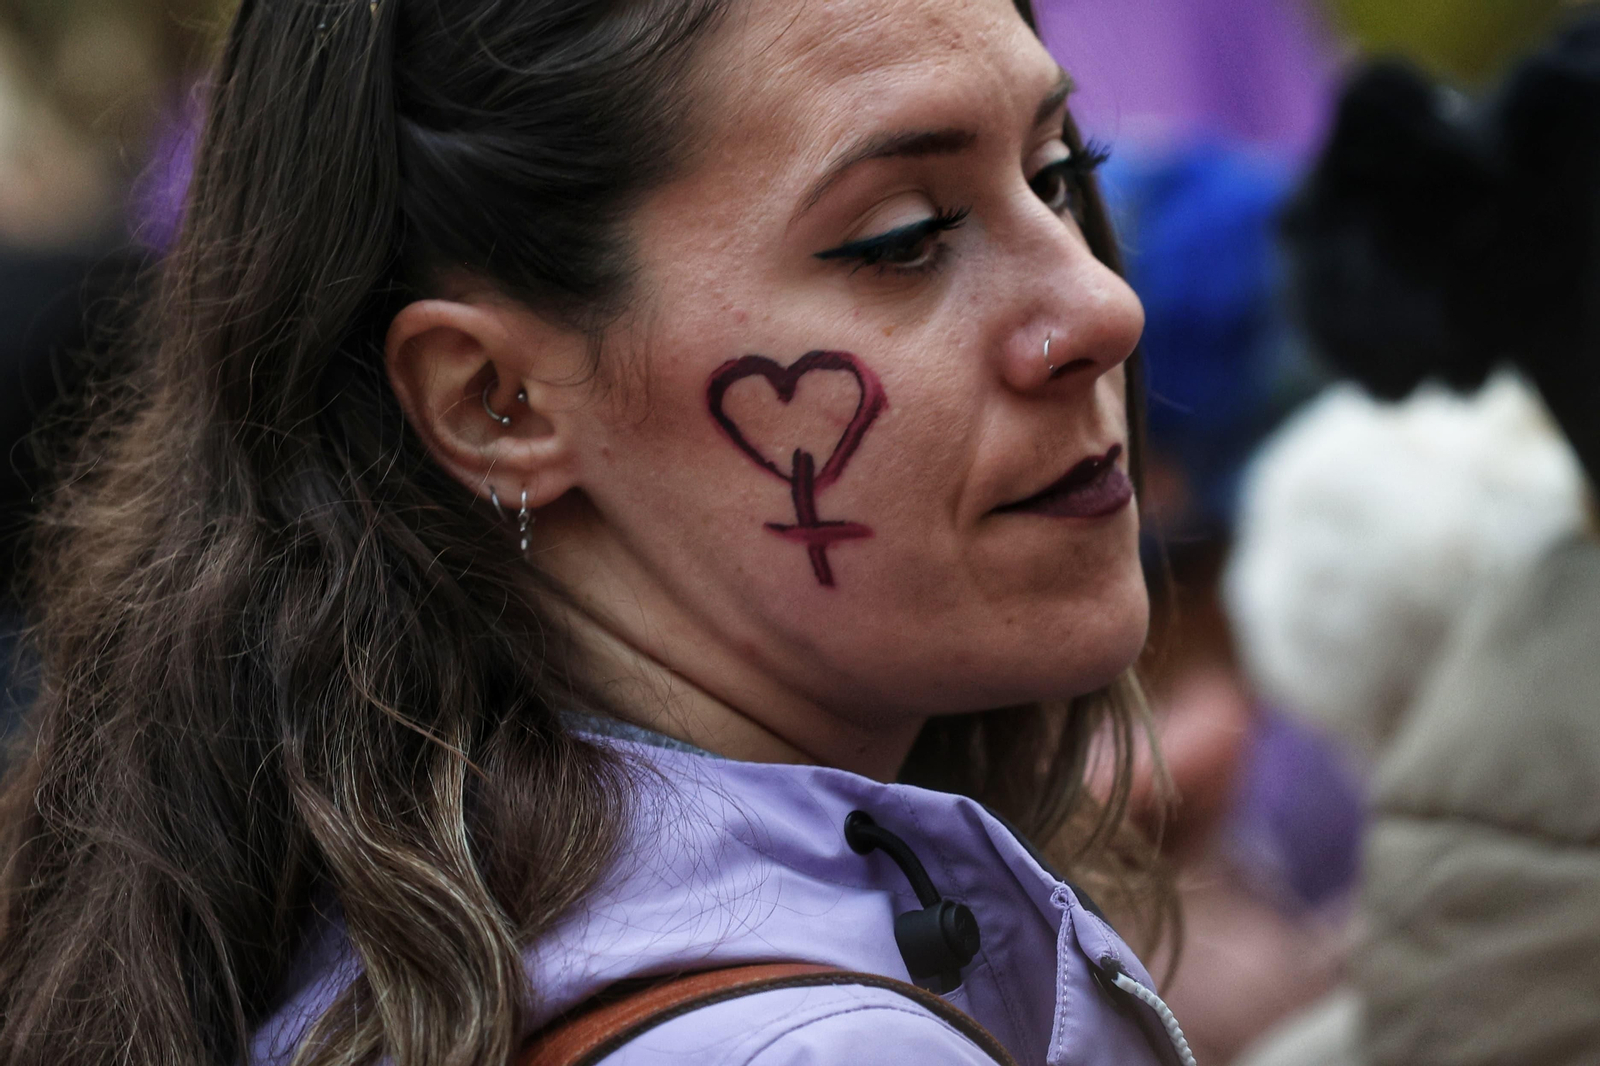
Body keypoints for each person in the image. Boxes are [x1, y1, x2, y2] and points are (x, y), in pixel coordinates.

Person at [0, 1, 1191, 1064]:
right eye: (901, 235)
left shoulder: (349, 944)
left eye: (1054, 172)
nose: (1102, 305)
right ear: (494, 401)